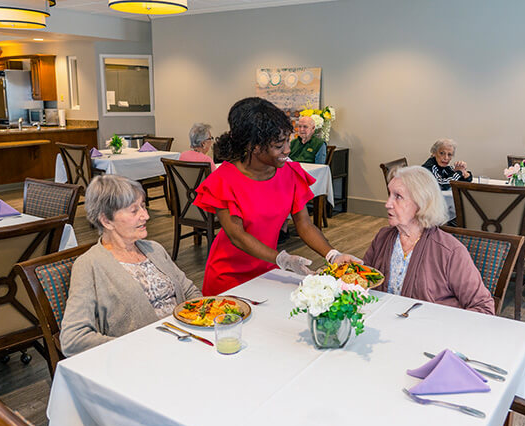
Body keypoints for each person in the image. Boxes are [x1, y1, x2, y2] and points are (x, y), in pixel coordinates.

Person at [193, 97, 359, 295]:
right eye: (279, 146)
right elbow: (237, 236)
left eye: (288, 141)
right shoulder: (224, 179)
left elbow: (304, 224)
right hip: (228, 277)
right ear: (254, 146)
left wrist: (332, 255)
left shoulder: (290, 173)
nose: (287, 150)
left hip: (268, 271)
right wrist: (283, 259)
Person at [60, 175, 201, 356]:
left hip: (185, 343)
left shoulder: (154, 249)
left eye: (143, 206)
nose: (146, 215)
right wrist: (135, 347)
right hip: (141, 360)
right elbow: (73, 339)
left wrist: (197, 322)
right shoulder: (89, 265)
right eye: (134, 211)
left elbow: (190, 292)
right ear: (106, 221)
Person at [363, 166, 495, 314]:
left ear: (421, 203)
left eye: (398, 196)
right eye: (389, 195)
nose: (387, 204)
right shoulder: (383, 237)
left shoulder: (450, 251)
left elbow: (484, 308)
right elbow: (364, 283)